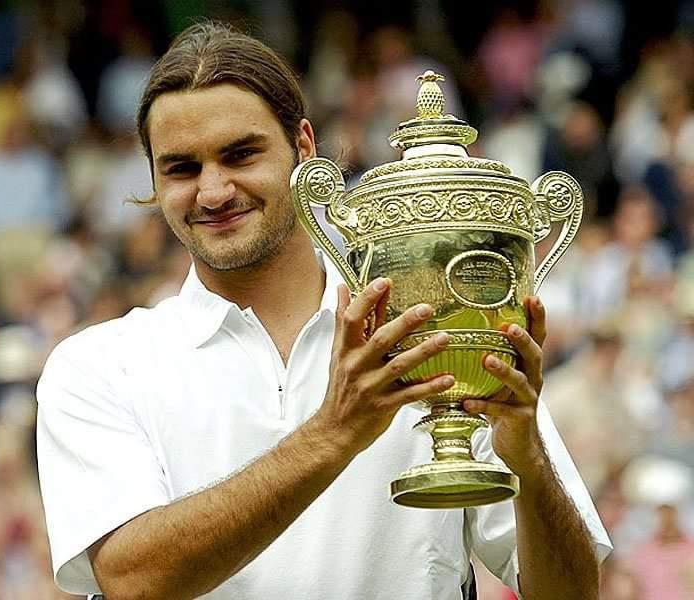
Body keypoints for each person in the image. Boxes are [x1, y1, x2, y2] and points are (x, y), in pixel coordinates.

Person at [36, 21, 612, 600]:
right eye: (182, 168)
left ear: (304, 149)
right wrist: (333, 434)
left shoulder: (430, 327)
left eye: (241, 154)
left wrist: (529, 457)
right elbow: (134, 581)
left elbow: (573, 595)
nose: (213, 192)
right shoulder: (98, 366)